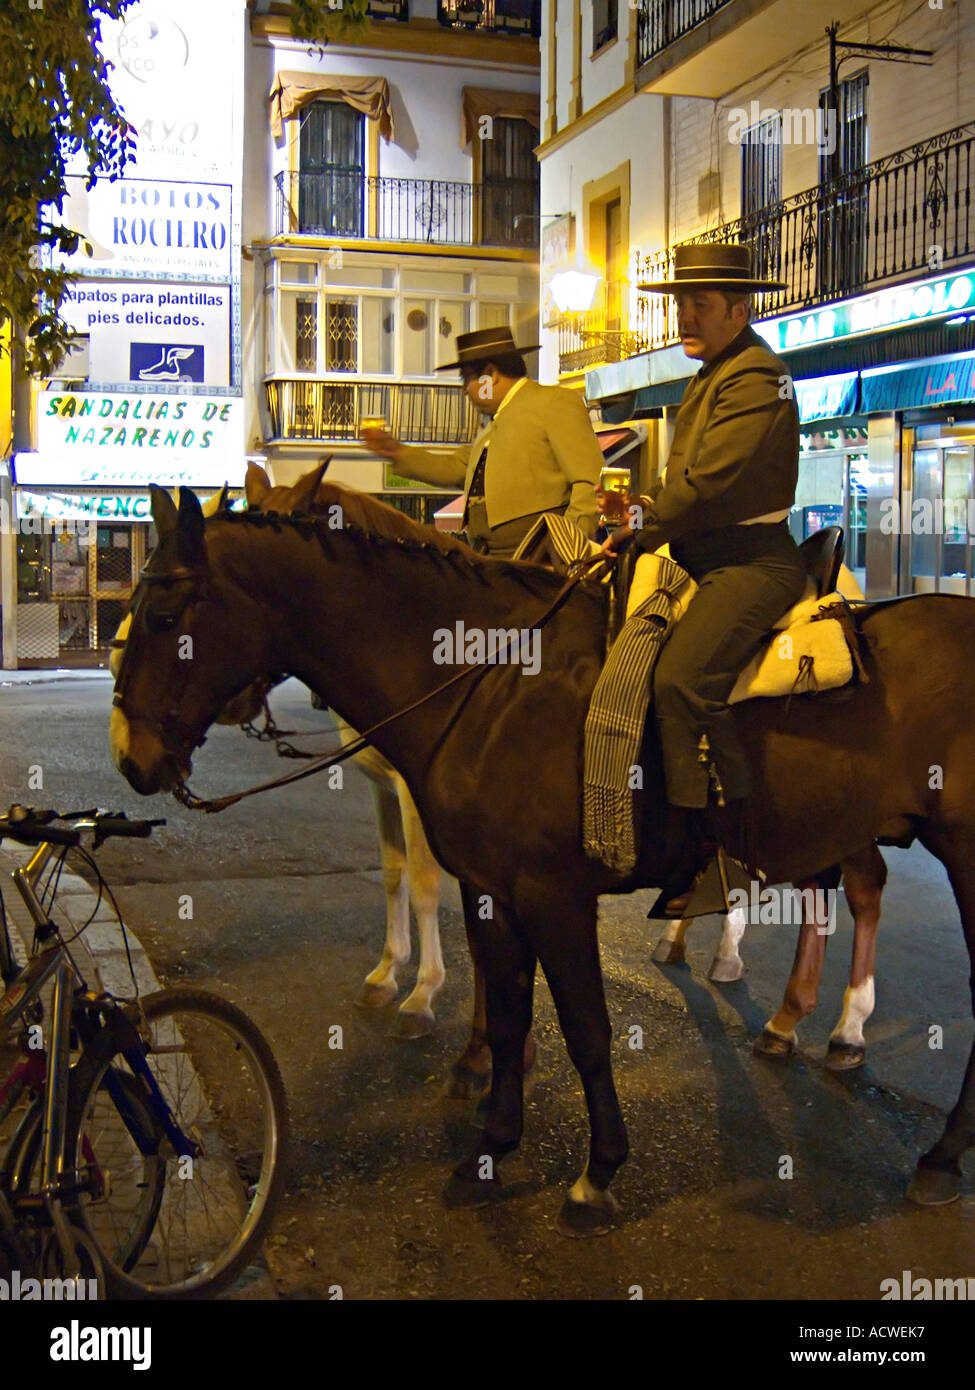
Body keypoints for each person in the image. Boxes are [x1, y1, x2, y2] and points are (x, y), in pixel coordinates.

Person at [604, 243, 806, 916]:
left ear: (738, 310)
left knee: (681, 680)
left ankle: (720, 852)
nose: (683, 316)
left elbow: (709, 480)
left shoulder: (754, 377)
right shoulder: (712, 372)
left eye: (698, 305)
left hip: (749, 563)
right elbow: (677, 483)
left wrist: (644, 520)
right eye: (679, 304)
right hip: (700, 556)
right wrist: (633, 518)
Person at [361, 326, 603, 557]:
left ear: (490, 376)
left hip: (539, 554)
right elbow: (456, 468)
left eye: (467, 379)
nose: (465, 390)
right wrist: (395, 452)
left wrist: (571, 542)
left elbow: (588, 479)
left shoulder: (553, 402)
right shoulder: (491, 426)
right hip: (490, 556)